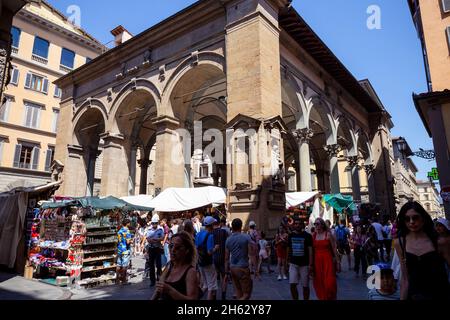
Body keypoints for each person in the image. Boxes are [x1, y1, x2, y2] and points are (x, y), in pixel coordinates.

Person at [394, 201, 450, 300]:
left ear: (423, 218)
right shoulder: (400, 243)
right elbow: (405, 278)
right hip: (415, 295)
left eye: (415, 217)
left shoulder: (440, 242)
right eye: (407, 219)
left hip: (440, 294)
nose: (411, 222)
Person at [153, 231, 199, 300]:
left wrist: (170, 290)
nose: (173, 250)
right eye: (171, 246)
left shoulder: (190, 272)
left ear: (187, 250)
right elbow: (158, 290)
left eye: (178, 247)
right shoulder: (169, 265)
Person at [225, 218, 253, 300]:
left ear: (232, 227)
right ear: (241, 226)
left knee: (238, 292)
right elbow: (251, 254)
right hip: (243, 267)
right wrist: (255, 269)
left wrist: (226, 272)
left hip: (233, 268)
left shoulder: (228, 239)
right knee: (246, 294)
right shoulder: (246, 237)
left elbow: (226, 258)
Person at [311, 218, 338, 300]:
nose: (316, 226)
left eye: (317, 224)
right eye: (315, 224)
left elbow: (334, 248)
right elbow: (311, 251)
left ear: (322, 225)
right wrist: (311, 264)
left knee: (329, 282)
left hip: (327, 261)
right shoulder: (314, 236)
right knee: (319, 282)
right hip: (317, 261)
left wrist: (338, 261)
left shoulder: (328, 235)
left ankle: (331, 297)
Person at [287, 219, 313, 300]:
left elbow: (310, 251)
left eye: (299, 223)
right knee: (292, 285)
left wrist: (310, 264)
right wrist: (286, 262)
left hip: (304, 264)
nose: (297, 225)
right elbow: (288, 249)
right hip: (293, 263)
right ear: (294, 225)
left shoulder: (308, 236)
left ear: (302, 225)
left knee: (305, 286)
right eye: (296, 223)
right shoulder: (290, 235)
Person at [195, 216, 218, 300]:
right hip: (208, 263)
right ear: (211, 225)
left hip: (200, 262)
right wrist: (215, 248)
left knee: (205, 285)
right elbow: (209, 252)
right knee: (211, 287)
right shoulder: (210, 236)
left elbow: (196, 248)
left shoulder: (198, 234)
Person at [212, 216, 229, 300]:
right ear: (220, 223)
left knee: (214, 278)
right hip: (222, 258)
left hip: (213, 258)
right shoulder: (224, 232)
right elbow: (226, 247)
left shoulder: (210, 233)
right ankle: (223, 295)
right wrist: (227, 258)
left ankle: (214, 296)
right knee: (224, 277)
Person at [146, 215, 165, 287]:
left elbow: (162, 238)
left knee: (159, 265)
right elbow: (147, 238)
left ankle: (159, 279)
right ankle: (152, 281)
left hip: (157, 248)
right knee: (151, 265)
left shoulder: (160, 229)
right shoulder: (149, 229)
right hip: (151, 248)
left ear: (157, 223)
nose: (154, 224)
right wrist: (152, 240)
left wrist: (156, 240)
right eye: (153, 223)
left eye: (155, 223)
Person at [117, 218, 132, 284]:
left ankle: (117, 279)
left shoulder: (120, 230)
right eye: (129, 223)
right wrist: (131, 240)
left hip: (120, 249)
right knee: (124, 265)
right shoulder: (127, 231)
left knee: (119, 264)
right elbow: (128, 242)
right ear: (127, 223)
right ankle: (124, 280)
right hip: (125, 249)